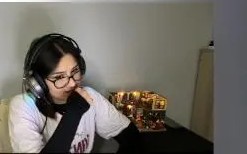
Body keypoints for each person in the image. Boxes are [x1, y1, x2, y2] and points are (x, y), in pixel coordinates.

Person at [9, 33, 145, 153]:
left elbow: (132, 138)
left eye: (75, 71)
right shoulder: (23, 106)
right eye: (59, 77)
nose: (72, 83)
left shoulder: (89, 96)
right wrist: (73, 113)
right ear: (38, 83)